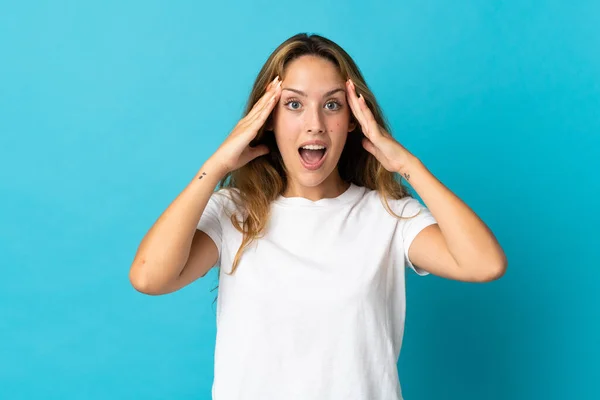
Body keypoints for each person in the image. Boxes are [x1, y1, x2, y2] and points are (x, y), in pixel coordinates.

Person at [129, 33, 507, 400]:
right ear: (269, 118)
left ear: (355, 118)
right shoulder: (234, 210)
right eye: (294, 104)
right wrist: (215, 167)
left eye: (332, 105)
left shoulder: (388, 215)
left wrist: (407, 164)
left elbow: (484, 264)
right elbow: (149, 277)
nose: (315, 124)